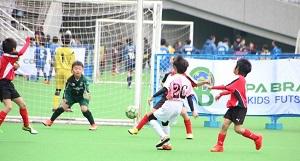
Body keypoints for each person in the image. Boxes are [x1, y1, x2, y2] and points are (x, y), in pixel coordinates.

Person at [128, 63, 209, 139]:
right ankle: (136, 129)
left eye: (173, 66)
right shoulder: (169, 75)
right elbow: (163, 86)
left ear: (176, 67)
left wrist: (204, 82)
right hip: (166, 99)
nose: (172, 68)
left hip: (176, 100)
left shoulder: (185, 77)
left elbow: (194, 85)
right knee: (151, 114)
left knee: (183, 113)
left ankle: (188, 133)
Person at [207, 58, 262, 152]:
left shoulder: (239, 79)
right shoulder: (239, 79)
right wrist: (221, 94)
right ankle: (219, 146)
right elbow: (231, 90)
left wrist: (212, 87)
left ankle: (256, 138)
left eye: (235, 65)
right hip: (233, 107)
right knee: (224, 125)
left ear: (238, 68)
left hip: (240, 108)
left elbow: (225, 86)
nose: (234, 67)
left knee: (238, 129)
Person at [146, 56, 195, 150]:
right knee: (165, 122)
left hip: (170, 104)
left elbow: (164, 89)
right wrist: (193, 110)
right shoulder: (187, 81)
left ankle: (163, 136)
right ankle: (167, 144)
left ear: (175, 68)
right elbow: (189, 97)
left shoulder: (172, 77)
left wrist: (153, 96)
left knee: (151, 117)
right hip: (179, 107)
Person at [43, 61, 97, 130]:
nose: (78, 70)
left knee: (84, 109)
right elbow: (66, 91)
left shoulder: (84, 80)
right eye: (76, 68)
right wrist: (64, 99)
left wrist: (87, 94)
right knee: (61, 107)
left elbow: (87, 90)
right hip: (72, 97)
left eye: (80, 69)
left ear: (82, 70)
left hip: (82, 97)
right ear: (72, 70)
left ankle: (93, 124)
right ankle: (50, 121)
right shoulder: (69, 80)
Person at [0, 37, 38, 134]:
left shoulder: (5, 57)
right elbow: (21, 53)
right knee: (9, 106)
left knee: (22, 104)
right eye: (15, 49)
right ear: (13, 49)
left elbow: (7, 69)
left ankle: (26, 125)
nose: (16, 51)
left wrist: (14, 68)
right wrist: (28, 42)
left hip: (8, 84)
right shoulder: (9, 56)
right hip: (2, 85)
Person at [52, 34, 75, 111]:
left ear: (61, 40)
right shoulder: (71, 51)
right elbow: (73, 63)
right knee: (67, 90)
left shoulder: (57, 50)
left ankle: (55, 107)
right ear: (70, 41)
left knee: (58, 89)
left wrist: (56, 70)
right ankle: (66, 107)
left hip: (59, 70)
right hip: (68, 71)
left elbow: (55, 61)